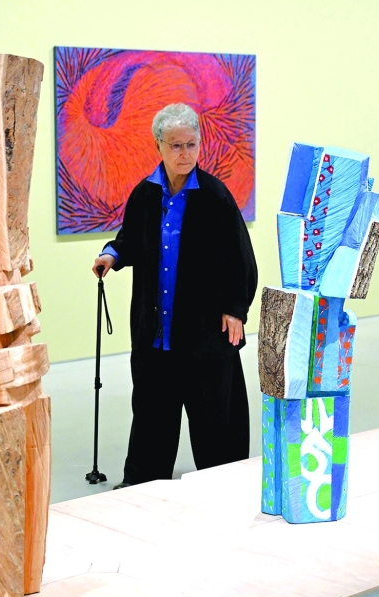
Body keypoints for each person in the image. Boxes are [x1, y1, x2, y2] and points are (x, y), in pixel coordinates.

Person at [93, 103, 258, 488]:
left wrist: (236, 309)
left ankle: (226, 483)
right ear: (159, 147)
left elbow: (241, 258)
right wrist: (111, 255)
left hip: (204, 335)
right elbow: (130, 239)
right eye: (176, 146)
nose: (185, 154)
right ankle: (143, 484)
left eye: (191, 144)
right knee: (151, 415)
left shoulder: (216, 196)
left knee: (215, 417)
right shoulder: (145, 194)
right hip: (155, 335)